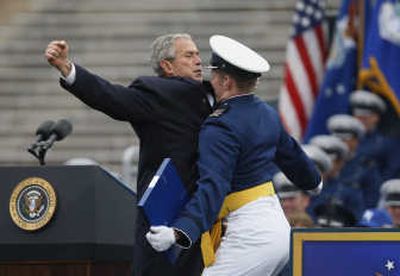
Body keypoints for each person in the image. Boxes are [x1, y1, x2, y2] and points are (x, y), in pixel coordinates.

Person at [145, 35, 322, 276]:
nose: (211, 79)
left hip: (251, 236)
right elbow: (291, 154)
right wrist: (314, 181)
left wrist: (179, 231)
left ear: (226, 81)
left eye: (215, 74)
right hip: (277, 227)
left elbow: (213, 187)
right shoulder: (265, 112)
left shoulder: (220, 127)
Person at [45, 33, 215, 276]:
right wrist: (67, 68)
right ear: (167, 66)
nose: (198, 60)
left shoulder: (212, 94)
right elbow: (112, 97)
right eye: (188, 55)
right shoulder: (157, 92)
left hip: (206, 208)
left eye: (198, 54)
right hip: (167, 210)